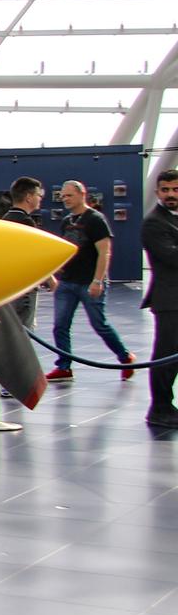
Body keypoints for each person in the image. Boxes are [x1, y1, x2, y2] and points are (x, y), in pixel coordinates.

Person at [45, 179, 134, 382]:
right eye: (63, 196)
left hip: (88, 281)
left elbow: (104, 252)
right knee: (60, 325)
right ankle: (64, 366)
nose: (65, 199)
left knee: (99, 324)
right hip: (68, 281)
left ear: (81, 194)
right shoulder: (66, 221)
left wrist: (97, 280)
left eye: (69, 195)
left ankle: (125, 357)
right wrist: (57, 271)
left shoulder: (95, 219)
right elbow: (67, 249)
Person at [143, 169, 178, 427]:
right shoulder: (154, 222)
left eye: (175, 189)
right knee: (166, 356)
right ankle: (160, 408)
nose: (171, 194)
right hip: (170, 301)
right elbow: (172, 258)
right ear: (157, 192)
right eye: (165, 190)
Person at [2, 176, 55, 329]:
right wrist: (50, 279)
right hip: (25, 288)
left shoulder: (5, 219)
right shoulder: (26, 222)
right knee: (24, 330)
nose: (40, 199)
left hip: (10, 285)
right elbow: (35, 255)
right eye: (39, 195)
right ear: (29, 197)